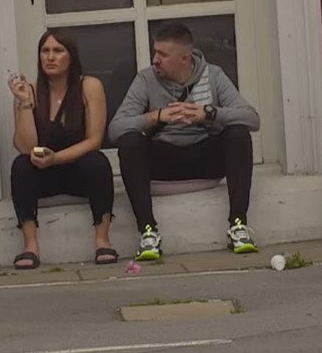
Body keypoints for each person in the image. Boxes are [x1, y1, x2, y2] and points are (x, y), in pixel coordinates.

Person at [108, 23, 260, 260]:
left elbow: (252, 119)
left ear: (184, 57)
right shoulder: (146, 79)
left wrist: (209, 113)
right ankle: (148, 232)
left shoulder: (214, 75)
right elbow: (115, 129)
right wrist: (156, 117)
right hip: (164, 157)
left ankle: (238, 226)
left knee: (238, 134)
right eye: (155, 52)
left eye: (162, 54)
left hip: (204, 156)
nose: (155, 60)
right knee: (129, 142)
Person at [7, 29, 117, 269]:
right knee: (21, 166)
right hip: (45, 174)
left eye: (58, 51)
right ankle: (30, 246)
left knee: (97, 161)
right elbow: (25, 147)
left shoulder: (89, 86)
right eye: (45, 51)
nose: (50, 57)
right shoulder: (30, 91)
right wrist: (24, 102)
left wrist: (56, 158)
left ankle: (102, 240)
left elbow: (94, 140)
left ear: (71, 56)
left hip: (79, 171)